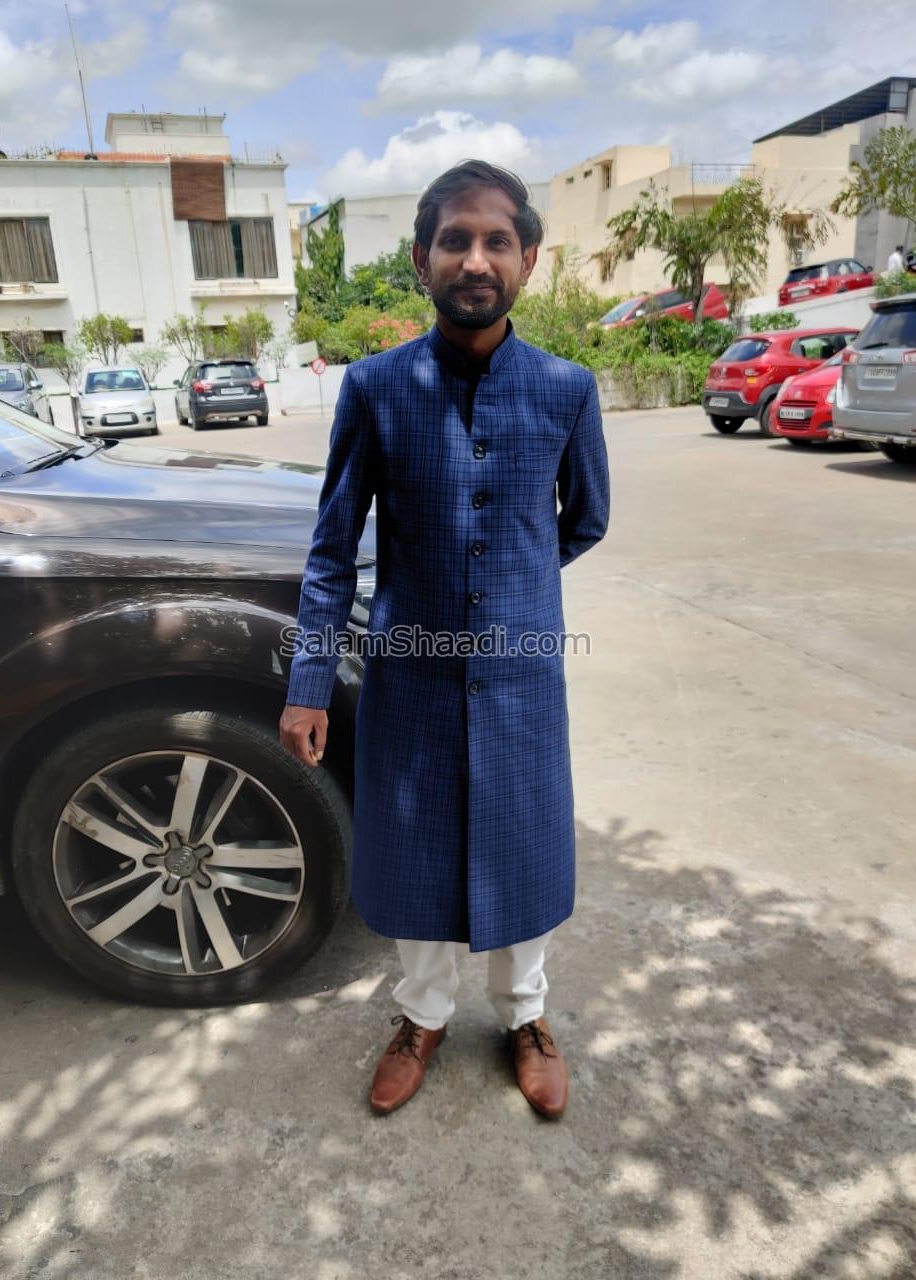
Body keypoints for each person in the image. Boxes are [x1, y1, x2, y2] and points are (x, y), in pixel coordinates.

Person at [279, 160, 610, 1120]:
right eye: (454, 241)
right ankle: (420, 1016)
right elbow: (332, 546)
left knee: (522, 841)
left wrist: (514, 584)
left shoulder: (566, 390)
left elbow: (584, 520)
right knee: (414, 842)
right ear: (421, 260)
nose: (475, 260)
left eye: (496, 241)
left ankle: (525, 1016)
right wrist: (308, 683)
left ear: (529, 259)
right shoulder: (377, 388)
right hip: (410, 677)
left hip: (520, 678)